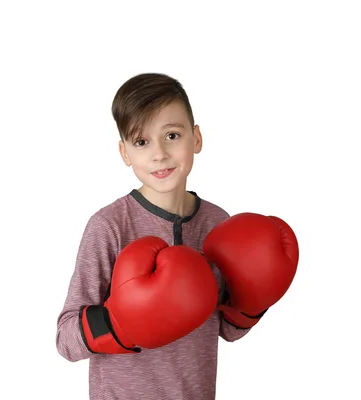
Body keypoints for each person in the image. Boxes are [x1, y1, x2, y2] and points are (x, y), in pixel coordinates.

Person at [56, 72, 262, 400]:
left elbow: (226, 330)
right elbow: (65, 340)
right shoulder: (109, 226)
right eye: (142, 141)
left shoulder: (218, 224)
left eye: (172, 135)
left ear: (196, 138)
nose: (159, 154)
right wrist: (120, 323)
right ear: (124, 153)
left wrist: (255, 299)